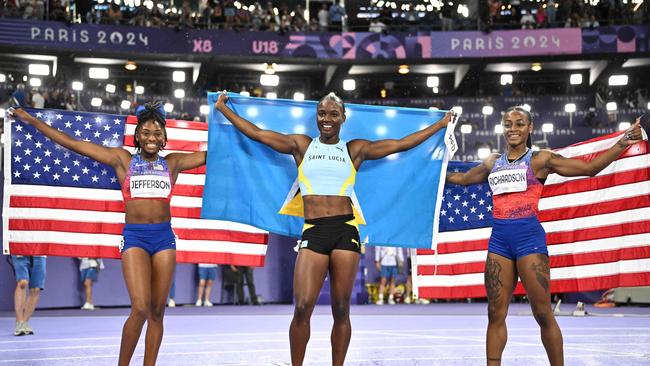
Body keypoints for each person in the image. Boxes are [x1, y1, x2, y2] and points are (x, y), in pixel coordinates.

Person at [215, 91, 453, 366]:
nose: (326, 119)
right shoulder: (301, 145)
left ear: (343, 118)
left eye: (333, 114)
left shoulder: (355, 149)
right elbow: (256, 134)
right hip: (314, 231)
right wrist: (223, 109)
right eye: (322, 114)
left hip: (345, 231)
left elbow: (400, 144)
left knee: (341, 309)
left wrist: (440, 124)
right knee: (302, 307)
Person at [8, 102, 207, 366]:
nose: (151, 138)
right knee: (140, 308)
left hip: (164, 239)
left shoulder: (174, 162)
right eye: (146, 132)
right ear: (137, 136)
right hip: (135, 238)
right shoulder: (123, 159)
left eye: (157, 133)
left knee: (157, 312)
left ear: (164, 138)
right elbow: (73, 143)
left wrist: (228, 118)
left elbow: (214, 154)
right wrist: (31, 120)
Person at [445, 106, 643, 366]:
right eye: (507, 124)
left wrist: (624, 141)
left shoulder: (540, 159)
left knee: (542, 313)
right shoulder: (493, 161)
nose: (512, 129)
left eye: (519, 124)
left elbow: (590, 168)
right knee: (495, 313)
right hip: (499, 242)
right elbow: (462, 179)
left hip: (529, 241)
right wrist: (432, 174)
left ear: (530, 128)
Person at [11, 255, 46, 336]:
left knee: (36, 289)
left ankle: (24, 322)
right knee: (23, 282)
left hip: (39, 253)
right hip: (20, 250)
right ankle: (19, 322)